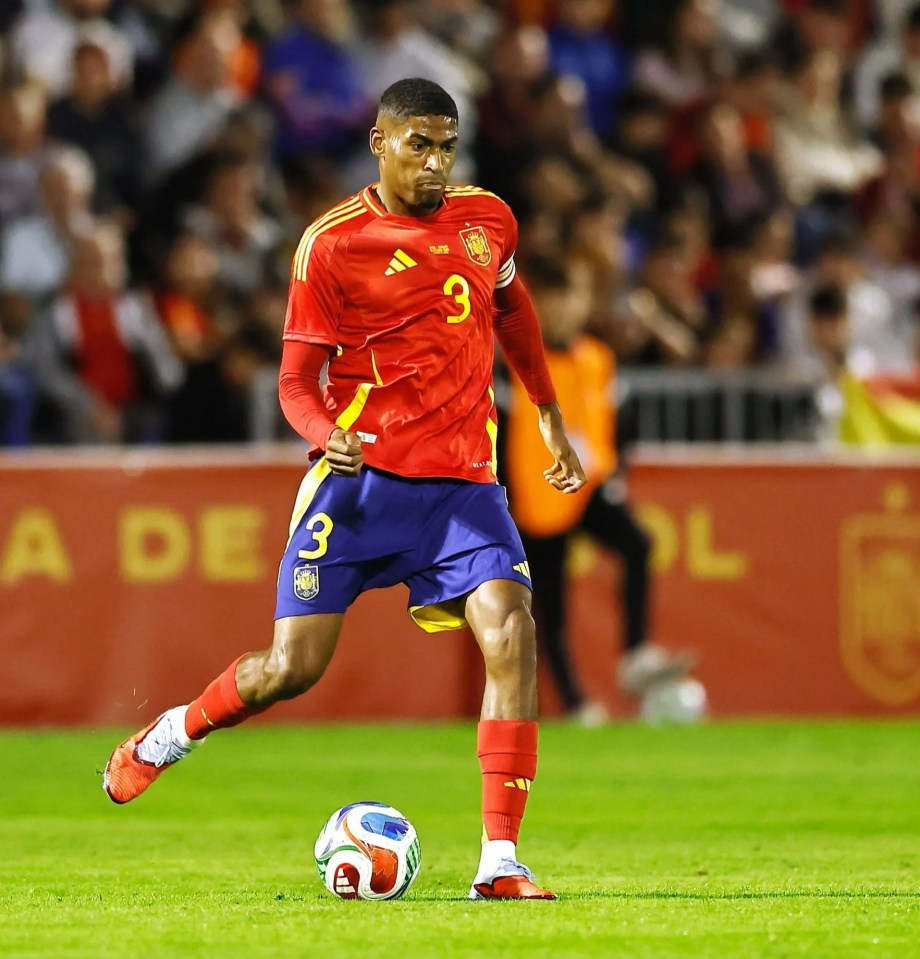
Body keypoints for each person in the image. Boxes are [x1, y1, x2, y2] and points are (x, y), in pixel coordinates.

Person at [103, 78, 587, 902]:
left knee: (511, 633)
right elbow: (296, 379)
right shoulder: (332, 243)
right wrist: (321, 430)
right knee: (291, 669)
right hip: (361, 484)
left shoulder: (488, 219)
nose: (435, 163)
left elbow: (514, 311)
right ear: (380, 142)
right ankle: (174, 731)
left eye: (447, 145)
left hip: (464, 486)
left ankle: (500, 860)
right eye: (419, 145)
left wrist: (546, 413)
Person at [502, 259, 693, 725]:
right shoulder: (513, 362)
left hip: (586, 488)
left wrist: (615, 471)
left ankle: (634, 653)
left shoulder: (597, 360)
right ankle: (576, 705)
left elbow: (614, 425)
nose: (567, 309)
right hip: (535, 496)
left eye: (575, 297)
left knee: (636, 543)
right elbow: (499, 431)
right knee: (550, 607)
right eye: (558, 298)